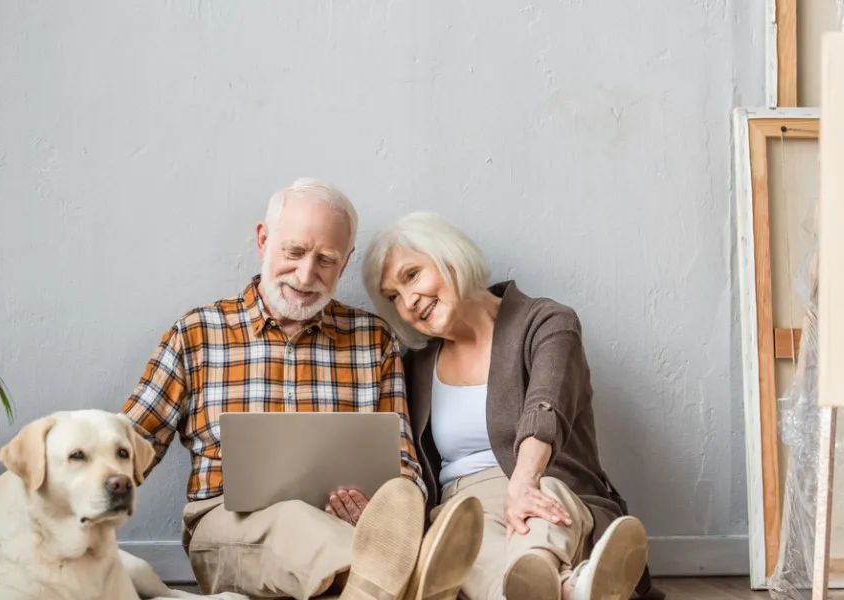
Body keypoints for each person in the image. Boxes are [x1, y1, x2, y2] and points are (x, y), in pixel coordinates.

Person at [121, 179, 484, 600]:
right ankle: (403, 578)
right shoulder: (198, 334)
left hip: (346, 529)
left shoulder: (373, 339)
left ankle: (376, 583)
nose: (306, 274)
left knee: (397, 498)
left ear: (344, 264)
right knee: (295, 519)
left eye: (326, 260)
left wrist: (380, 508)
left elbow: (401, 462)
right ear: (263, 240)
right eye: (293, 252)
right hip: (227, 527)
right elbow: (125, 447)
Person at [360, 211, 664, 600]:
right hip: (464, 510)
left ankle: (539, 578)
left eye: (412, 275)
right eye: (394, 297)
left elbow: (545, 405)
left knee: (542, 505)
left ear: (450, 256)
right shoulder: (415, 364)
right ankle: (573, 588)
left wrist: (523, 483)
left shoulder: (546, 322)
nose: (409, 301)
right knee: (457, 538)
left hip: (551, 488)